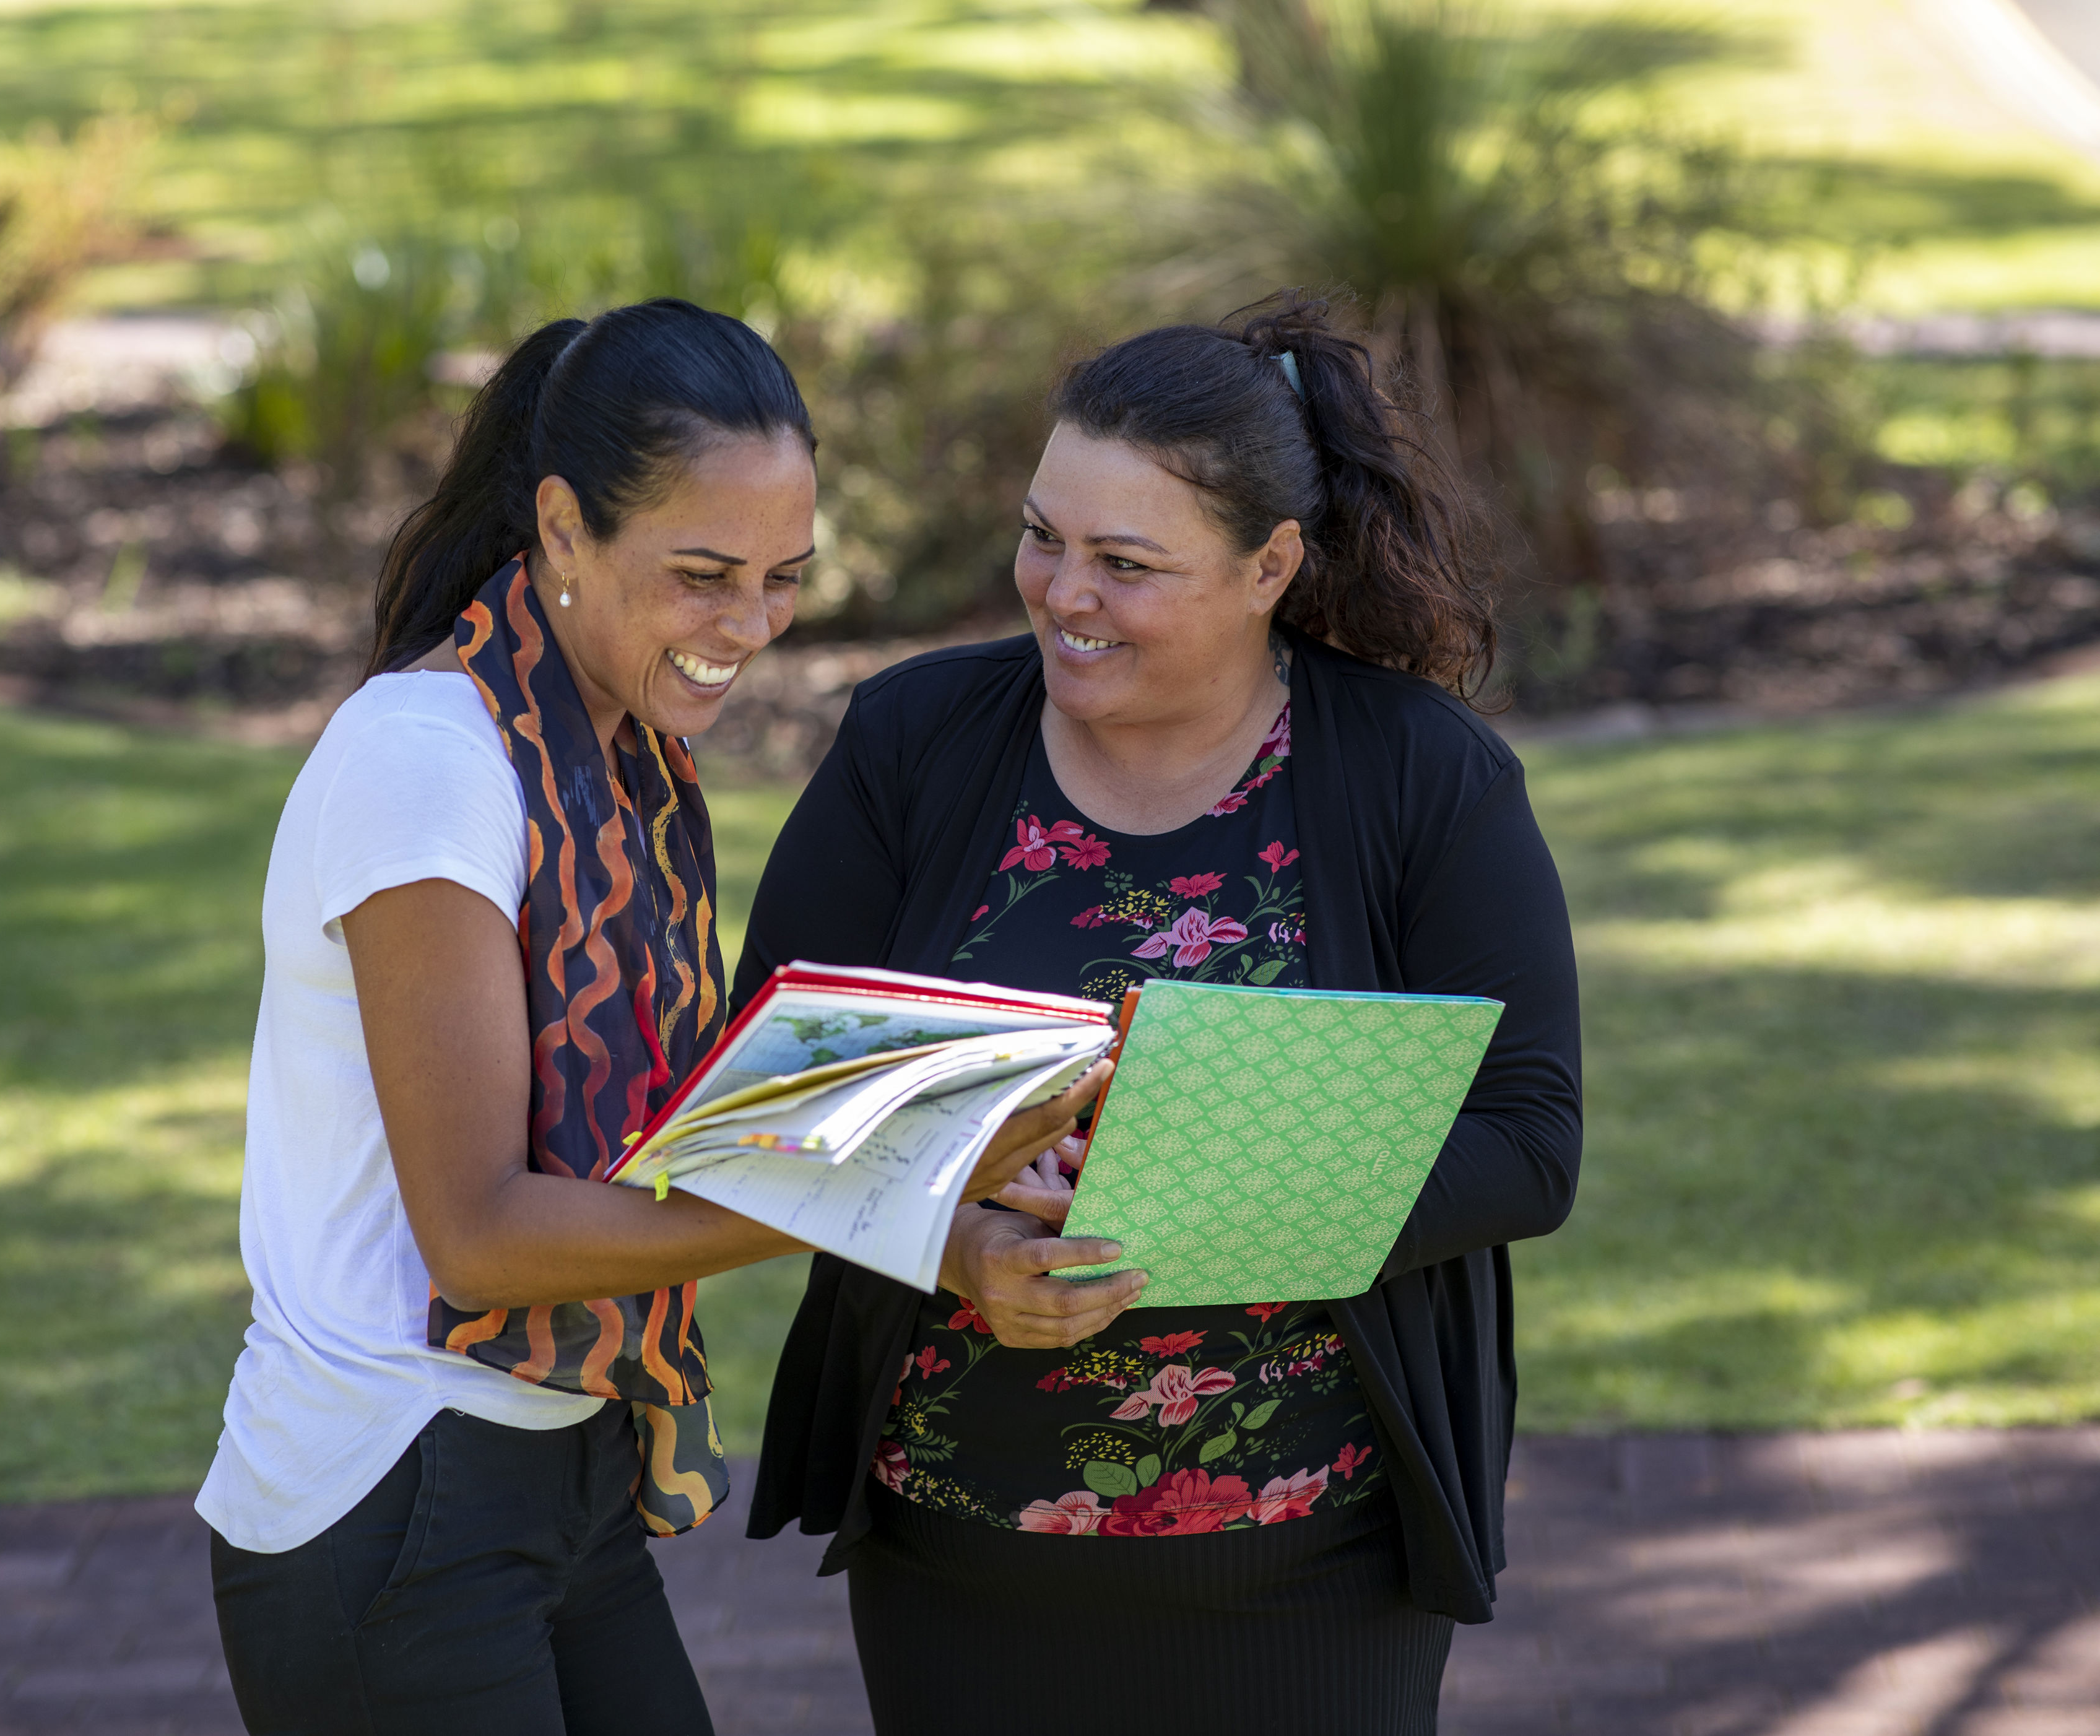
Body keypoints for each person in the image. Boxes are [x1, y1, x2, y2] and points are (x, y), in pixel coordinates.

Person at [195, 297, 1108, 1736]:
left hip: (563, 1465)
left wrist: (956, 1175)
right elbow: (484, 1231)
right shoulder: (429, 763)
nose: (745, 629)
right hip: (390, 1484)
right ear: (561, 528)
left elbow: (685, 1143)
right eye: (701, 575)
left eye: (784, 579)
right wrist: (887, 1184)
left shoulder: (619, 764)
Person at [737, 293, 1582, 1733]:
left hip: (1313, 1561)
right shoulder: (914, 740)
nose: (1064, 593)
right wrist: (960, 1243)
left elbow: (1528, 1140)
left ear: (1270, 565)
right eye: (1043, 535)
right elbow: (765, 1102)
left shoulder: (1422, 777)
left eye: (1126, 563)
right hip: (959, 1553)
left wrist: (1198, 1190)